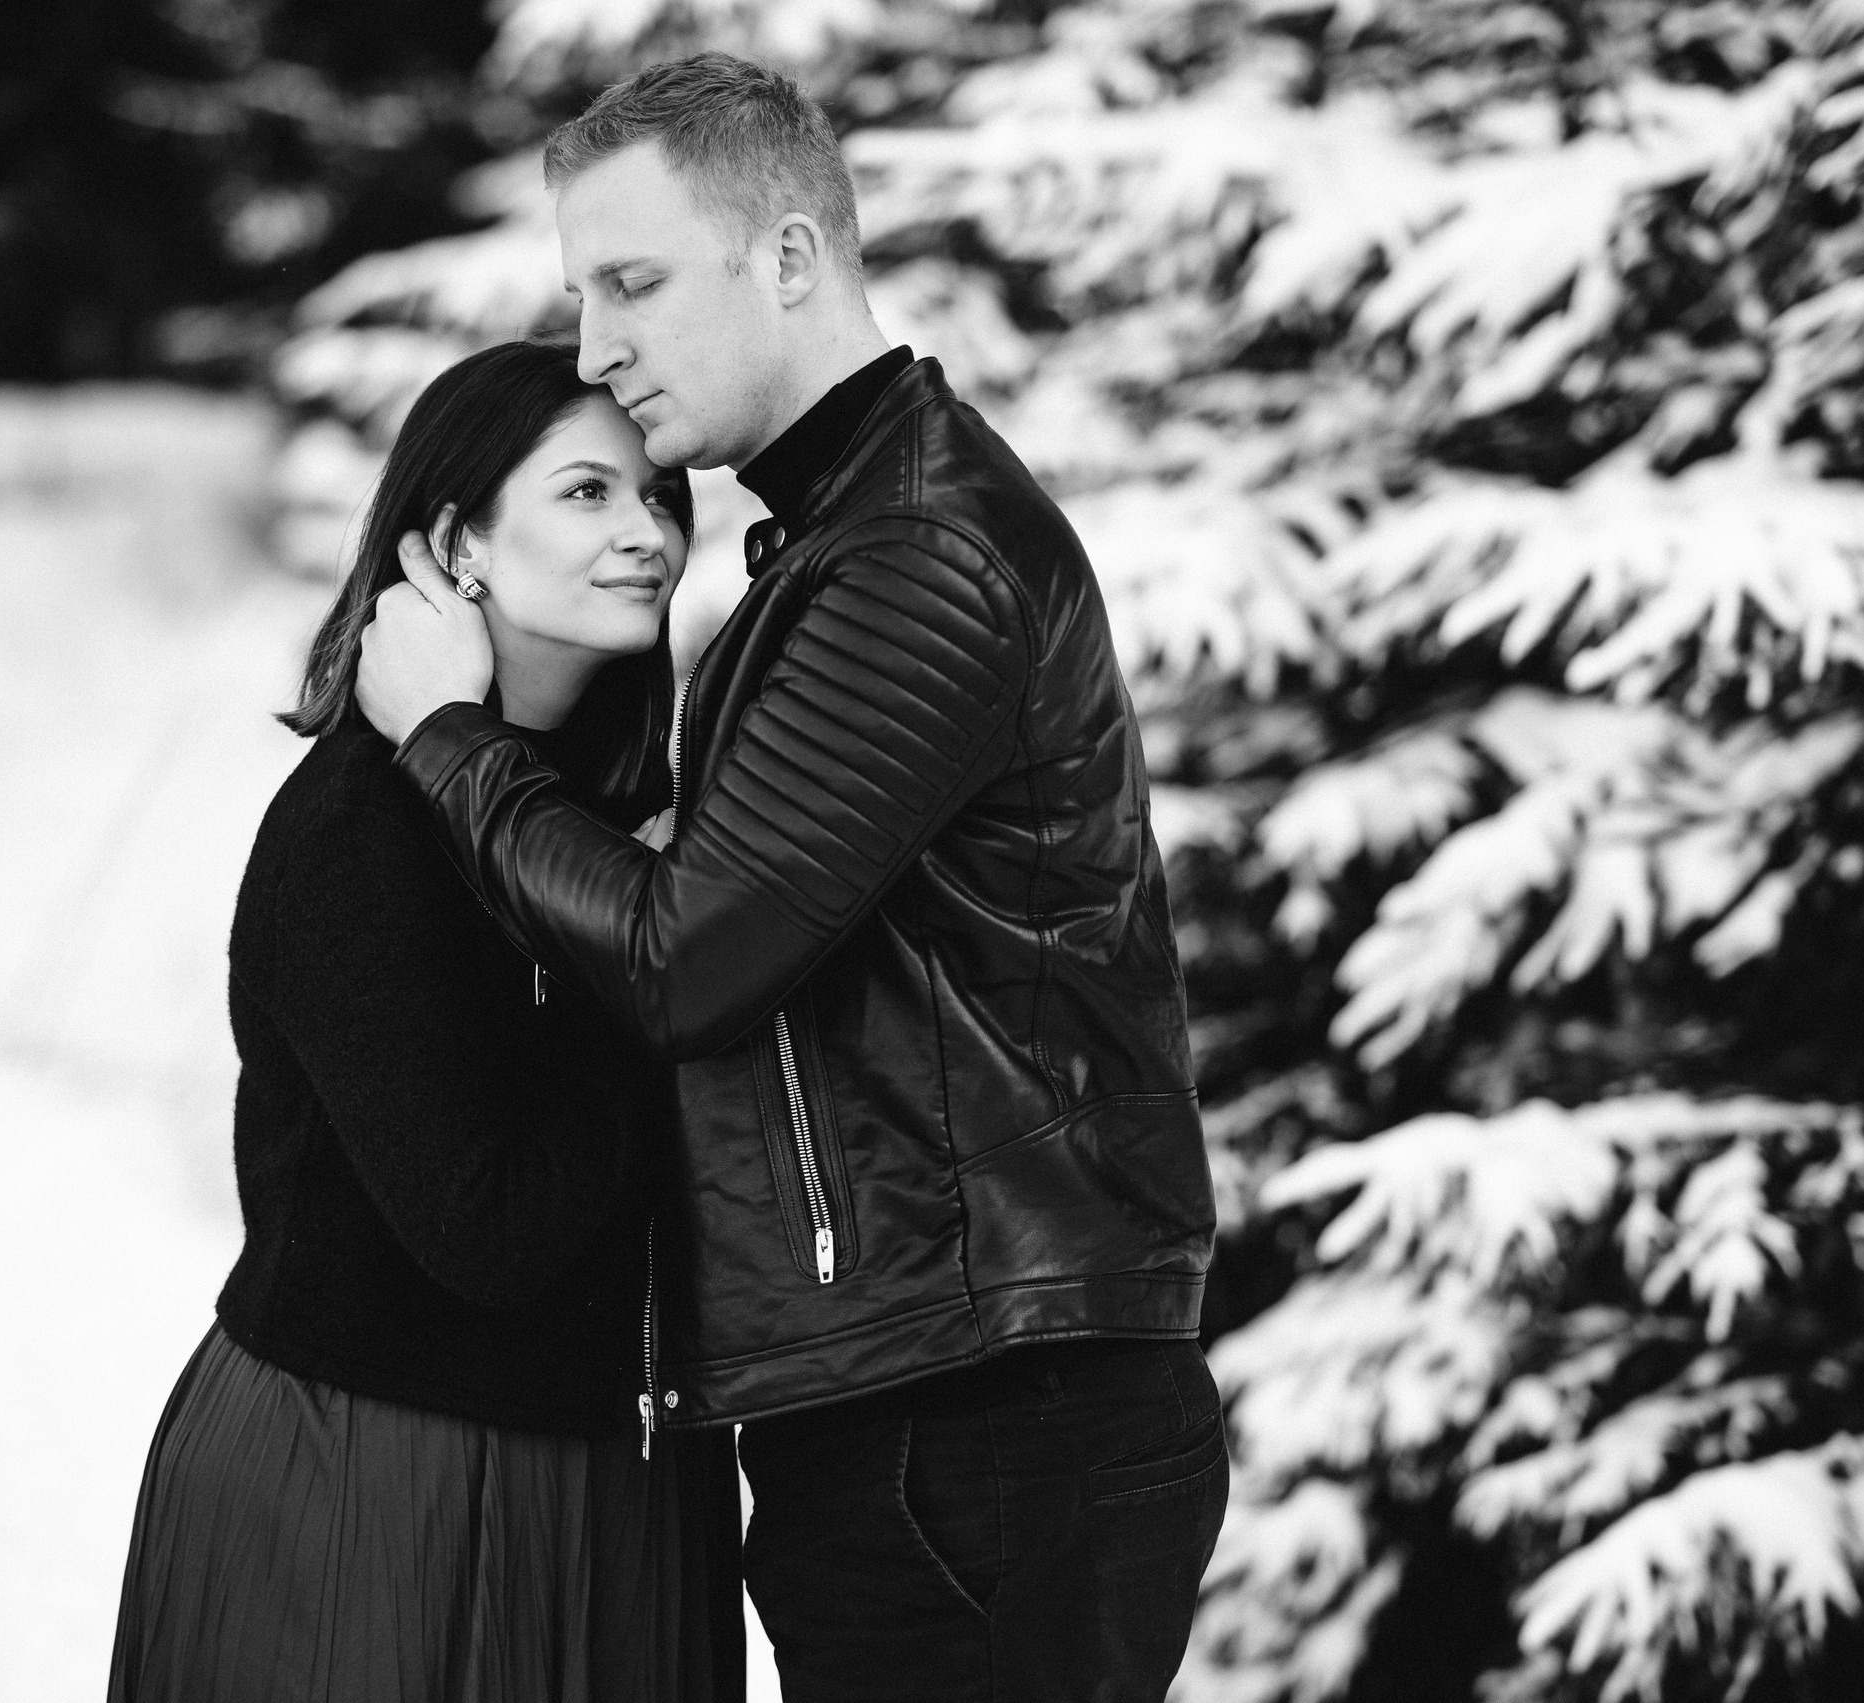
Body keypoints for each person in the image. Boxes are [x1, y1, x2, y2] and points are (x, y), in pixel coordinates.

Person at [356, 52, 1225, 1703]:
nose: (598, 346)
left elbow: (688, 961)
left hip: (984, 1417)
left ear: (791, 259)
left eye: (633, 283)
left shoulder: (916, 557)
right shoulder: (837, 547)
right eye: (579, 292)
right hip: (938, 1398)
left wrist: (452, 741)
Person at [108, 339, 743, 1703]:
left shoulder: (623, 817)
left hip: (623, 1488)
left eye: (659, 496)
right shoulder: (361, 830)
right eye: (587, 494)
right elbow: (488, 1225)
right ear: (454, 541)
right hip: (383, 1488)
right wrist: (657, 953)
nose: (648, 533)